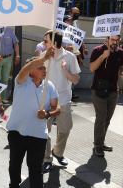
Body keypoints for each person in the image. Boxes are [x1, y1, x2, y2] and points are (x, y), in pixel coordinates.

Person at [6, 49, 61, 188]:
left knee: (36, 169)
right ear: (31, 71)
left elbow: (57, 108)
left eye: (45, 68)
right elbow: (25, 69)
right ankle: (14, 184)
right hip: (17, 133)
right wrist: (44, 57)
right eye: (40, 68)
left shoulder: (49, 85)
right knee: (14, 166)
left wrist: (47, 114)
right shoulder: (22, 81)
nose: (44, 70)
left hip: (38, 135)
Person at [40, 31, 80, 173]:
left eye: (46, 41)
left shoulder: (69, 57)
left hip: (63, 100)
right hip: (46, 101)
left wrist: (65, 70)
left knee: (65, 129)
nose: (43, 44)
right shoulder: (43, 56)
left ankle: (58, 152)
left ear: (54, 43)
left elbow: (75, 80)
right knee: (45, 131)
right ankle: (47, 159)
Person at [89, 34, 123, 156]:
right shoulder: (97, 50)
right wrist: (103, 57)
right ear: (107, 39)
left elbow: (121, 68)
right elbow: (92, 68)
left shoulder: (120, 52)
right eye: (112, 40)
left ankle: (101, 142)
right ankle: (98, 145)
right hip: (98, 90)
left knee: (107, 119)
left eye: (117, 40)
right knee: (101, 118)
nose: (115, 42)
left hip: (113, 90)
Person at [0, 27, 20, 101]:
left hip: (8, 58)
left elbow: (16, 44)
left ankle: (2, 98)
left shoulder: (10, 30)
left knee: (5, 79)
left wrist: (17, 55)